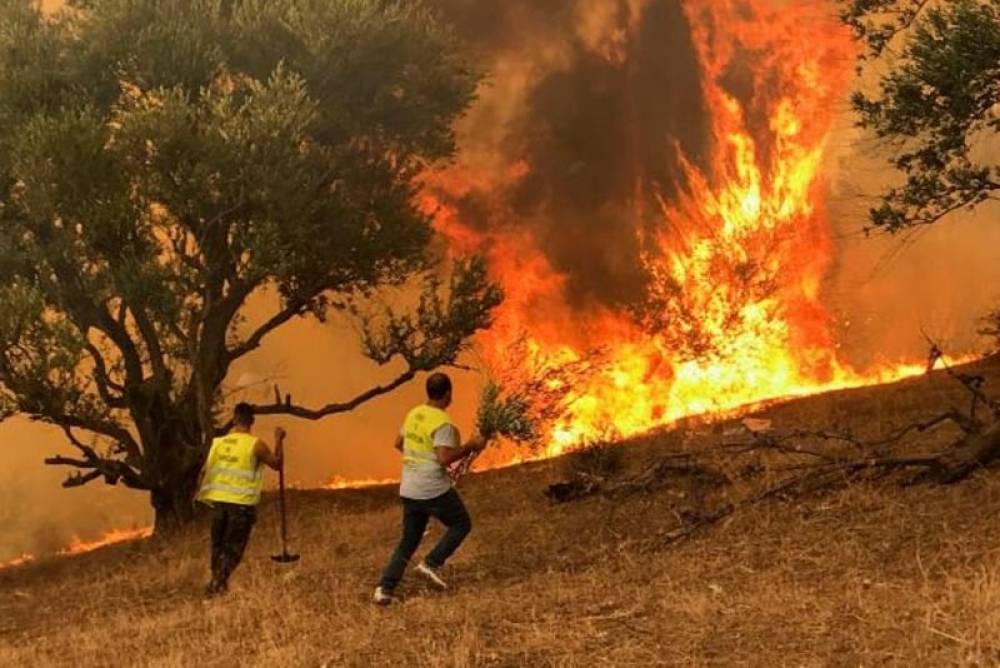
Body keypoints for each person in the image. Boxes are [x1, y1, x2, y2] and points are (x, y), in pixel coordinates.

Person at [373, 372, 486, 605]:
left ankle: (385, 589)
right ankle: (430, 564)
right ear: (448, 394)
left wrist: (418, 461)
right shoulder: (442, 423)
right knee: (461, 524)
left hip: (409, 487)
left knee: (409, 540)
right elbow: (445, 458)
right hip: (431, 487)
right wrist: (471, 445)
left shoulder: (415, 413)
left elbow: (398, 443)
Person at [197, 402, 286, 596]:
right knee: (234, 548)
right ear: (251, 421)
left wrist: (199, 497)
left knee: (218, 546)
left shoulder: (218, 443)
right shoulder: (255, 444)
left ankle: (219, 585)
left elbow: (205, 471)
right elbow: (276, 464)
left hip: (218, 503)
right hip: (241, 504)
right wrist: (278, 439)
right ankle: (216, 584)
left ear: (234, 420)